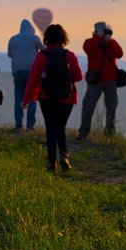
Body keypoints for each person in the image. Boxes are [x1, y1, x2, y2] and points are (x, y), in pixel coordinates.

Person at [23, 24, 83, 171]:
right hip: (66, 98)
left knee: (51, 128)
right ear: (63, 38)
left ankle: (51, 163)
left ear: (47, 38)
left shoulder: (42, 56)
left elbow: (33, 79)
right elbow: (79, 76)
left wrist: (26, 100)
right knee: (61, 127)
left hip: (47, 98)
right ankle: (64, 155)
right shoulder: (69, 56)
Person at [77, 22, 123, 139]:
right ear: (96, 31)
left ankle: (110, 133)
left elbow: (119, 54)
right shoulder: (90, 42)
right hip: (95, 80)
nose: (105, 34)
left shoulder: (111, 43)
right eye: (103, 31)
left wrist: (110, 41)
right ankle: (83, 132)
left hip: (111, 80)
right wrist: (98, 38)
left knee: (112, 107)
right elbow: (88, 49)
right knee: (88, 106)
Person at [7, 19, 45, 131]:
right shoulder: (34, 38)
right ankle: (30, 125)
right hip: (32, 71)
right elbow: (44, 51)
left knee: (18, 97)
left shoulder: (13, 39)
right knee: (32, 97)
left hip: (17, 71)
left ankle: (18, 124)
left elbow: (9, 54)